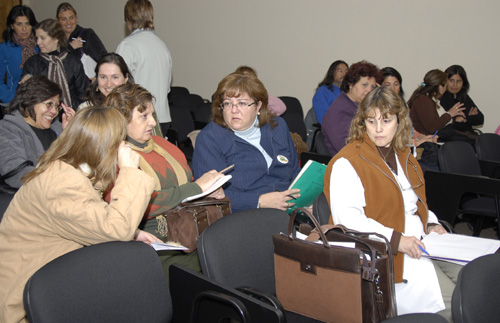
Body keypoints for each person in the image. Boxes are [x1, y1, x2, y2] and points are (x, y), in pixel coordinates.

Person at [0, 107, 156, 322]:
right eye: (121, 141)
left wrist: (134, 233)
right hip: (26, 305)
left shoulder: (72, 169)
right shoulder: (62, 184)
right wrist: (129, 171)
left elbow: (87, 216)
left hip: (53, 279)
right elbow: (115, 227)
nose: (124, 146)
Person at [324, 86, 459, 319]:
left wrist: (431, 224)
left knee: (476, 277)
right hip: (385, 255)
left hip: (424, 242)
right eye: (371, 121)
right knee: (457, 302)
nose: (378, 129)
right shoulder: (347, 162)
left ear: (399, 121)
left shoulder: (403, 154)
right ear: (361, 122)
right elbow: (348, 221)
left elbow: (415, 202)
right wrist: (398, 241)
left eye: (386, 121)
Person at [103, 83, 225, 277]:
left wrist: (209, 190)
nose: (152, 122)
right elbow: (137, 206)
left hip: (190, 232)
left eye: (153, 115)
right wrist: (195, 189)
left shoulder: (161, 144)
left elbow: (188, 182)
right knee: (212, 272)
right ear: (121, 121)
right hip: (155, 246)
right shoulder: (113, 157)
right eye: (144, 116)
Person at [192, 73, 300, 213]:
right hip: (243, 215)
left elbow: (294, 171)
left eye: (242, 103)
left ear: (258, 106)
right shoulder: (209, 138)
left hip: (288, 206)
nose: (234, 110)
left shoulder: (277, 126)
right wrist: (259, 201)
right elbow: (209, 196)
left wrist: (303, 198)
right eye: (228, 103)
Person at [0, 75, 75, 189]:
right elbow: (16, 174)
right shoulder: (6, 129)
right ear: (29, 100)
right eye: (49, 104)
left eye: (57, 106)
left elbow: (81, 161)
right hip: (31, 200)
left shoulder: (59, 129)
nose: (54, 111)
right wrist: (62, 182)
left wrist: (71, 133)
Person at [116, 0, 171, 136]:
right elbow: (167, 87)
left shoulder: (127, 45)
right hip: (162, 117)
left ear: (128, 19)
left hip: (140, 119)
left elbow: (119, 86)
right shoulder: (162, 46)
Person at [21, 18, 88, 109]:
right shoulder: (32, 63)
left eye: (43, 38)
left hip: (70, 114)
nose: (38, 42)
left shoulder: (73, 61)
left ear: (56, 38)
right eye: (37, 38)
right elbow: (25, 98)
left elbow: (83, 94)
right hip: (42, 117)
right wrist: (28, 82)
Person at [322, 60, 380, 156]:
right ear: (351, 84)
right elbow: (348, 148)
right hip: (349, 164)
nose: (369, 90)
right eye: (364, 85)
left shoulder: (362, 107)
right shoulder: (339, 111)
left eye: (373, 87)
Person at [381, 66, 436, 148]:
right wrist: (416, 142)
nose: (392, 89)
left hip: (407, 147)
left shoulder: (402, 104)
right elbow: (389, 139)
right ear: (379, 86)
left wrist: (421, 137)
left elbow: (409, 130)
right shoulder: (378, 108)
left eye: (396, 84)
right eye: (387, 85)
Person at [56, 2, 108, 79]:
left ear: (76, 18)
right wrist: (70, 48)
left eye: (71, 18)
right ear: (57, 21)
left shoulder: (87, 34)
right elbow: (56, 64)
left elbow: (104, 59)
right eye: (64, 19)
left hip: (89, 86)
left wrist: (97, 78)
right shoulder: (55, 40)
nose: (68, 22)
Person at [408, 69, 465, 136]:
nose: (446, 89)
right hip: (426, 142)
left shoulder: (430, 99)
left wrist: (455, 120)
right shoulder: (424, 100)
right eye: (446, 86)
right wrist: (449, 114)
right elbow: (432, 127)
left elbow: (438, 123)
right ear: (440, 86)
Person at [0, 5, 38, 103]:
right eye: (19, 24)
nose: (24, 29)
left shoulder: (41, 45)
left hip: (39, 100)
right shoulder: (4, 47)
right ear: (12, 26)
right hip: (14, 101)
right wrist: (10, 98)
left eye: (27, 24)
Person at [440, 65, 484, 137]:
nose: (455, 85)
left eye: (459, 81)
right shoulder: (440, 98)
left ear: (463, 83)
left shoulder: (464, 97)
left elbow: (480, 119)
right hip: (449, 139)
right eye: (451, 80)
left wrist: (464, 119)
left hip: (467, 137)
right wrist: (461, 120)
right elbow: (447, 125)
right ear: (445, 81)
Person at [312, 60, 348, 124]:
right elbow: (324, 119)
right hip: (334, 129)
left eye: (346, 71)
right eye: (340, 71)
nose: (344, 74)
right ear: (332, 72)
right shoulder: (322, 92)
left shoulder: (349, 91)